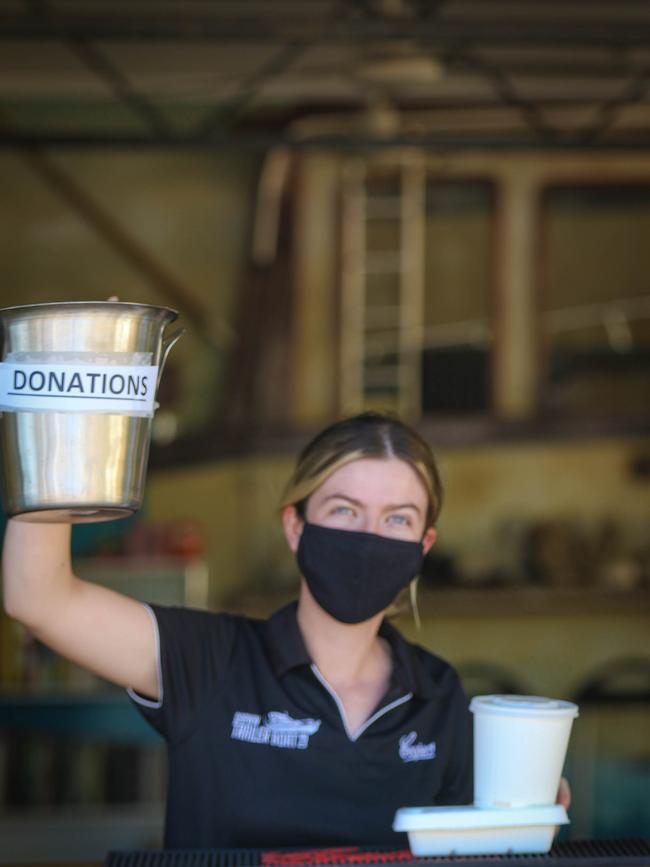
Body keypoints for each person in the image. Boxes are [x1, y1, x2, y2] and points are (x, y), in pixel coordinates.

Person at [2, 411, 569, 850]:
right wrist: (65, 415)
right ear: (295, 527)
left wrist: (520, 821)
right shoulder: (207, 659)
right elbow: (39, 598)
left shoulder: (440, 696)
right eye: (345, 510)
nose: (370, 535)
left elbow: (474, 846)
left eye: (397, 518)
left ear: (423, 547)